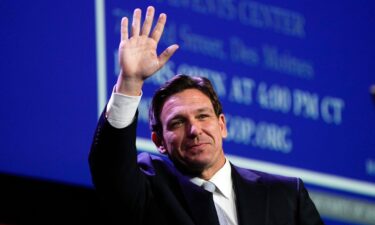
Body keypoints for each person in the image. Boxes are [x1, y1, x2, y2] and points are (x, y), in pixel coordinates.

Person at [89, 6, 324, 225]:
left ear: (222, 125)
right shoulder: (150, 187)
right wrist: (129, 81)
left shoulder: (286, 195)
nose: (194, 130)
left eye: (203, 116)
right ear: (159, 142)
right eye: (178, 122)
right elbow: (110, 168)